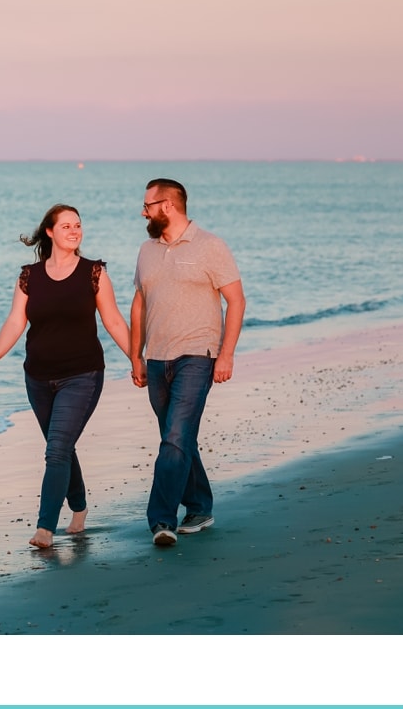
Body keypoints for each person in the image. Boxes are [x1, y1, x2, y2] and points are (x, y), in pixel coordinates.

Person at [0, 204, 131, 549]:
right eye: (66, 226)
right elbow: (16, 320)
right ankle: (79, 508)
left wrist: (138, 359)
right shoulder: (29, 276)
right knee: (60, 447)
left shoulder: (94, 272)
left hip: (83, 375)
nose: (75, 231)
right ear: (50, 232)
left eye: (78, 225)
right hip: (38, 377)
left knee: (57, 449)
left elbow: (114, 321)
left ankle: (45, 528)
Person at [130, 178, 246, 547]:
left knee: (176, 436)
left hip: (198, 356)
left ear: (167, 206)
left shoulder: (211, 246)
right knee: (177, 438)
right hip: (156, 358)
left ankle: (161, 520)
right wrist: (136, 354)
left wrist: (226, 354)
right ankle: (199, 505)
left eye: (147, 205)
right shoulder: (146, 250)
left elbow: (237, 301)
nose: (143, 211)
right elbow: (139, 303)